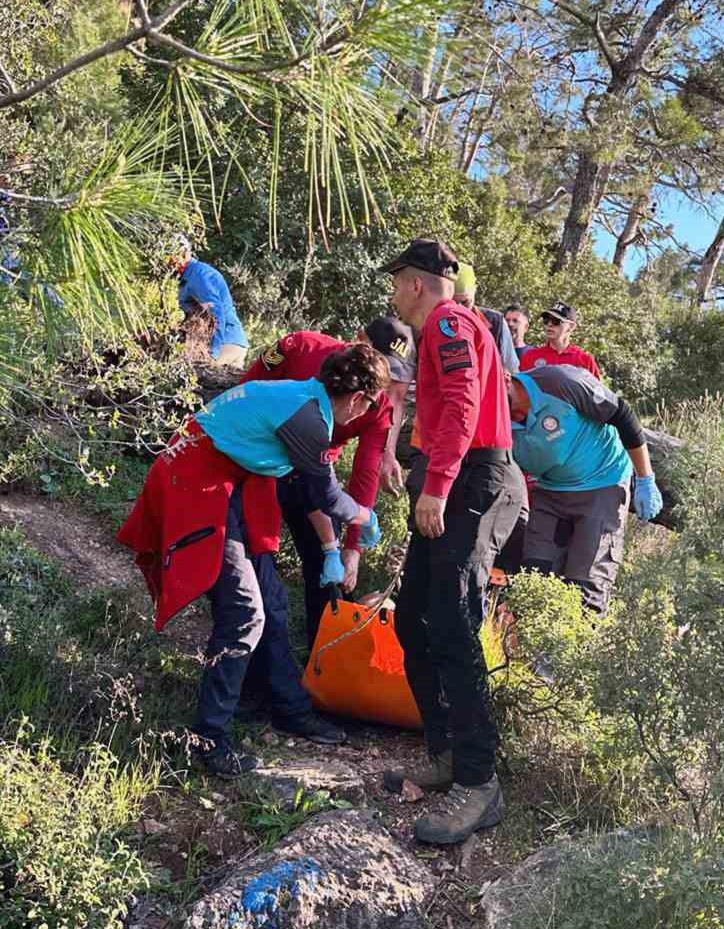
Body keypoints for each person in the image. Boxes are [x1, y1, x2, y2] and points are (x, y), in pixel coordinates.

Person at [117, 344, 385, 774]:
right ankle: (208, 740)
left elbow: (312, 489)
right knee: (245, 613)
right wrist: (364, 517)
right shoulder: (310, 418)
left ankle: (269, 702)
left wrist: (334, 548)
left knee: (270, 600)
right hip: (197, 484)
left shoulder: (301, 398)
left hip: (226, 485)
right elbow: (326, 494)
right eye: (371, 405)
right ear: (358, 399)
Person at [379, 238, 525, 846]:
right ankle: (443, 751)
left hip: (474, 478)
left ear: (415, 284)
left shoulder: (447, 320)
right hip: (452, 476)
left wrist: (436, 486)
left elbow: (467, 403)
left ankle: (478, 779)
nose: (392, 295)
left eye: (396, 283)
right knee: (413, 619)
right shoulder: (451, 325)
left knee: (453, 621)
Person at [238, 317, 416, 651]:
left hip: (317, 477)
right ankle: (263, 658)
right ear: (358, 340)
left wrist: (352, 548)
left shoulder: (378, 407)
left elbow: (364, 473)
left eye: (394, 377)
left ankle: (324, 663)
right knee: (258, 562)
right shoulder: (298, 346)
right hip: (259, 465)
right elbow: (247, 389)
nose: (380, 387)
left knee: (328, 572)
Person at [508, 364, 662, 611]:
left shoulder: (559, 382)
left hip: (602, 484)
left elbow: (622, 414)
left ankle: (580, 648)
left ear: (506, 379)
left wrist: (645, 479)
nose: (509, 414)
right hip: (551, 492)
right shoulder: (492, 416)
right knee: (535, 578)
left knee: (587, 584)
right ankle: (538, 648)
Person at [168, 235, 248, 366]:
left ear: (183, 254)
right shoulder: (187, 277)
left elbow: (217, 314)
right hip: (229, 342)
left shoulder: (199, 276)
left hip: (227, 342)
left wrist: (213, 353)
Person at [452, 262, 519, 372]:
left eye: (465, 302)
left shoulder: (496, 322)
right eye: (453, 302)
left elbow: (513, 370)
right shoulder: (434, 322)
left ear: (475, 290)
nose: (460, 310)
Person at [518, 301, 601, 377]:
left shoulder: (585, 361)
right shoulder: (530, 357)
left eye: (556, 321)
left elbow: (597, 392)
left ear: (571, 327)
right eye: (546, 320)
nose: (549, 324)